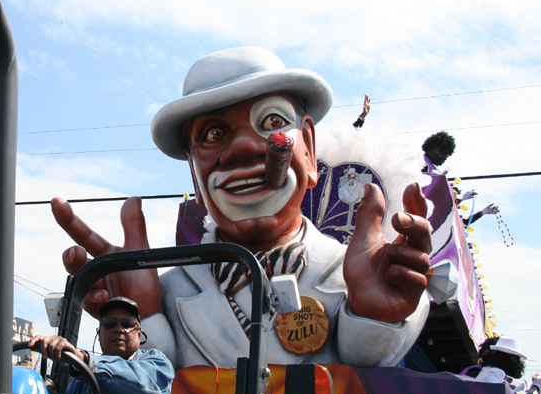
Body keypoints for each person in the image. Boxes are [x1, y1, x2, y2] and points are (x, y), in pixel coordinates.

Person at [52, 46, 431, 369]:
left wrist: (374, 318)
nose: (243, 149)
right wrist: (142, 317)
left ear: (309, 149)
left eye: (272, 121)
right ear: (195, 176)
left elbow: (366, 374)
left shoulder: (353, 276)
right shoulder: (166, 294)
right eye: (214, 135)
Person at [29, 297, 175, 394]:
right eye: (109, 323)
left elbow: (146, 386)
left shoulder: (157, 363)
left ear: (139, 335)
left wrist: (84, 361)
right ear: (99, 335)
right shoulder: (80, 381)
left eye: (128, 324)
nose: (119, 328)